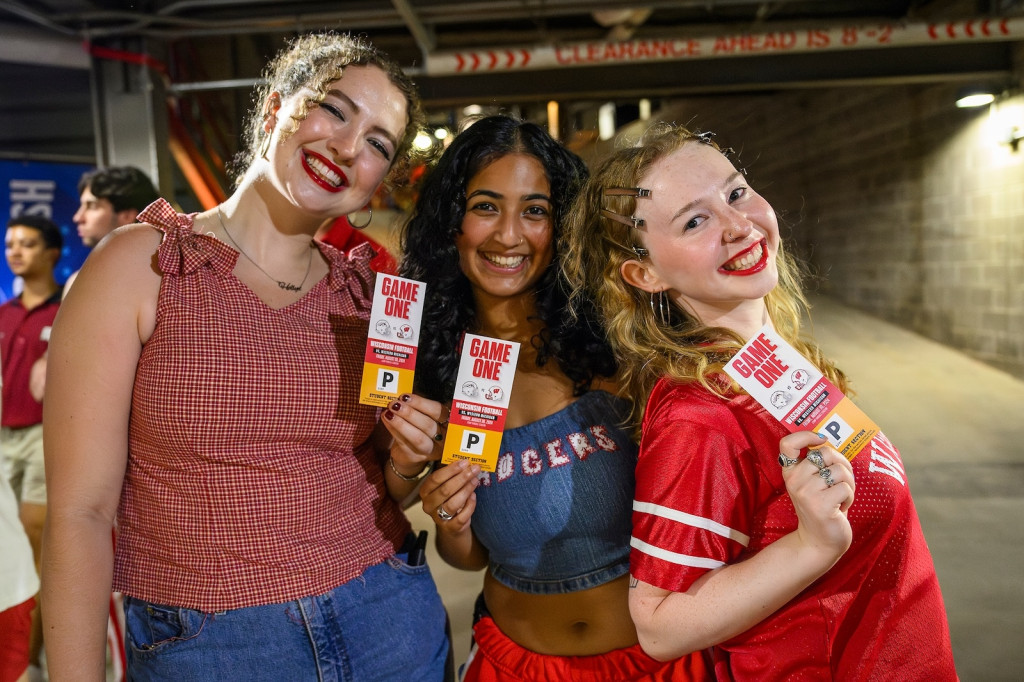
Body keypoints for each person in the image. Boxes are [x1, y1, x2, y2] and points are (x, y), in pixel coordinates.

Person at [41, 32, 451, 681]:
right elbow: (79, 513)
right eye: (335, 110)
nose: (348, 147)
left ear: (379, 181)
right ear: (275, 109)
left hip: (389, 617)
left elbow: (386, 481)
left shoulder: (368, 296)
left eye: (377, 143)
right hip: (217, 648)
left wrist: (408, 458)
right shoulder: (142, 264)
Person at [561, 123, 958, 680]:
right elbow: (657, 626)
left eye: (736, 192)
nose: (738, 225)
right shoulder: (700, 415)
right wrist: (811, 546)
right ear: (645, 273)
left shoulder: (777, 362)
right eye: (695, 220)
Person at [393, 114, 708, 681]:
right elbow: (470, 556)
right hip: (512, 662)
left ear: (561, 226)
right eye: (485, 206)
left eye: (534, 210)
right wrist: (451, 519)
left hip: (662, 661)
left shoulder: (618, 341)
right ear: (452, 224)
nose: (509, 235)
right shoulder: (432, 371)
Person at [0, 214, 62, 681]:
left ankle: (34, 661)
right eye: (10, 244)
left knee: (34, 547)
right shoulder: (4, 313)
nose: (15, 251)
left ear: (52, 253)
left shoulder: (68, 307)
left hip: (46, 436)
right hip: (3, 438)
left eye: (26, 243)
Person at [67, 165, 160, 293]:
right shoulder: (78, 282)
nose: (78, 217)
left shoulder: (168, 280)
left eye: (92, 206)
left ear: (127, 216)